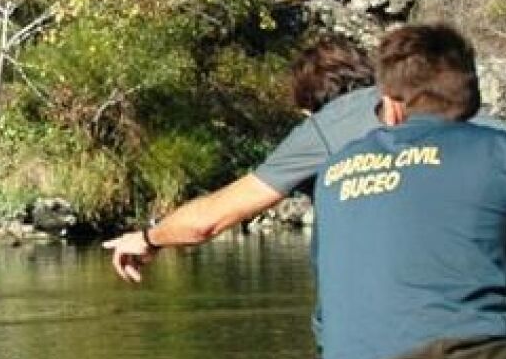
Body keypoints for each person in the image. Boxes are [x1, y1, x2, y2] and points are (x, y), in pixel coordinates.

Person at [308, 23, 506, 359]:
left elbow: (324, 323)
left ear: (392, 103)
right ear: (472, 95)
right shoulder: (505, 155)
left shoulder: (334, 173)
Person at [105, 34, 378, 282]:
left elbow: (205, 222)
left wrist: (149, 239)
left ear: (308, 106)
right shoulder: (411, 104)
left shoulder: (321, 131)